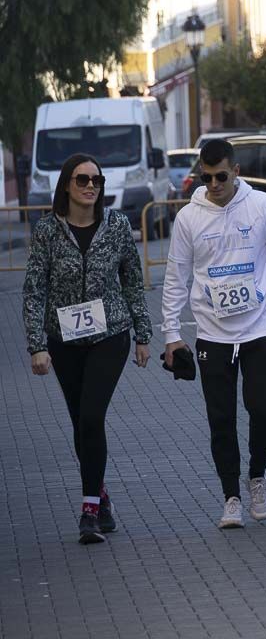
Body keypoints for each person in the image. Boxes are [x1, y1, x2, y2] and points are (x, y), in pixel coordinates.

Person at [162, 139, 266, 529]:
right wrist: (172, 334)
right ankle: (231, 497)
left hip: (260, 326)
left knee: (264, 408)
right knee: (220, 418)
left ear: (235, 171)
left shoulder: (261, 206)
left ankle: (256, 476)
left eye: (221, 176)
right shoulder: (190, 217)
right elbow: (176, 277)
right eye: (206, 178)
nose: (214, 184)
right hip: (212, 332)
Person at [22, 154, 153, 544]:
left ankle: (89, 511)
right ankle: (102, 495)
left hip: (110, 334)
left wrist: (143, 335)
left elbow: (132, 280)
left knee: (92, 416)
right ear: (67, 185)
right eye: (82, 179)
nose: (90, 186)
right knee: (81, 423)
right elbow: (34, 289)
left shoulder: (116, 226)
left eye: (96, 179)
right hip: (64, 340)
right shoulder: (47, 231)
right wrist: (36, 345)